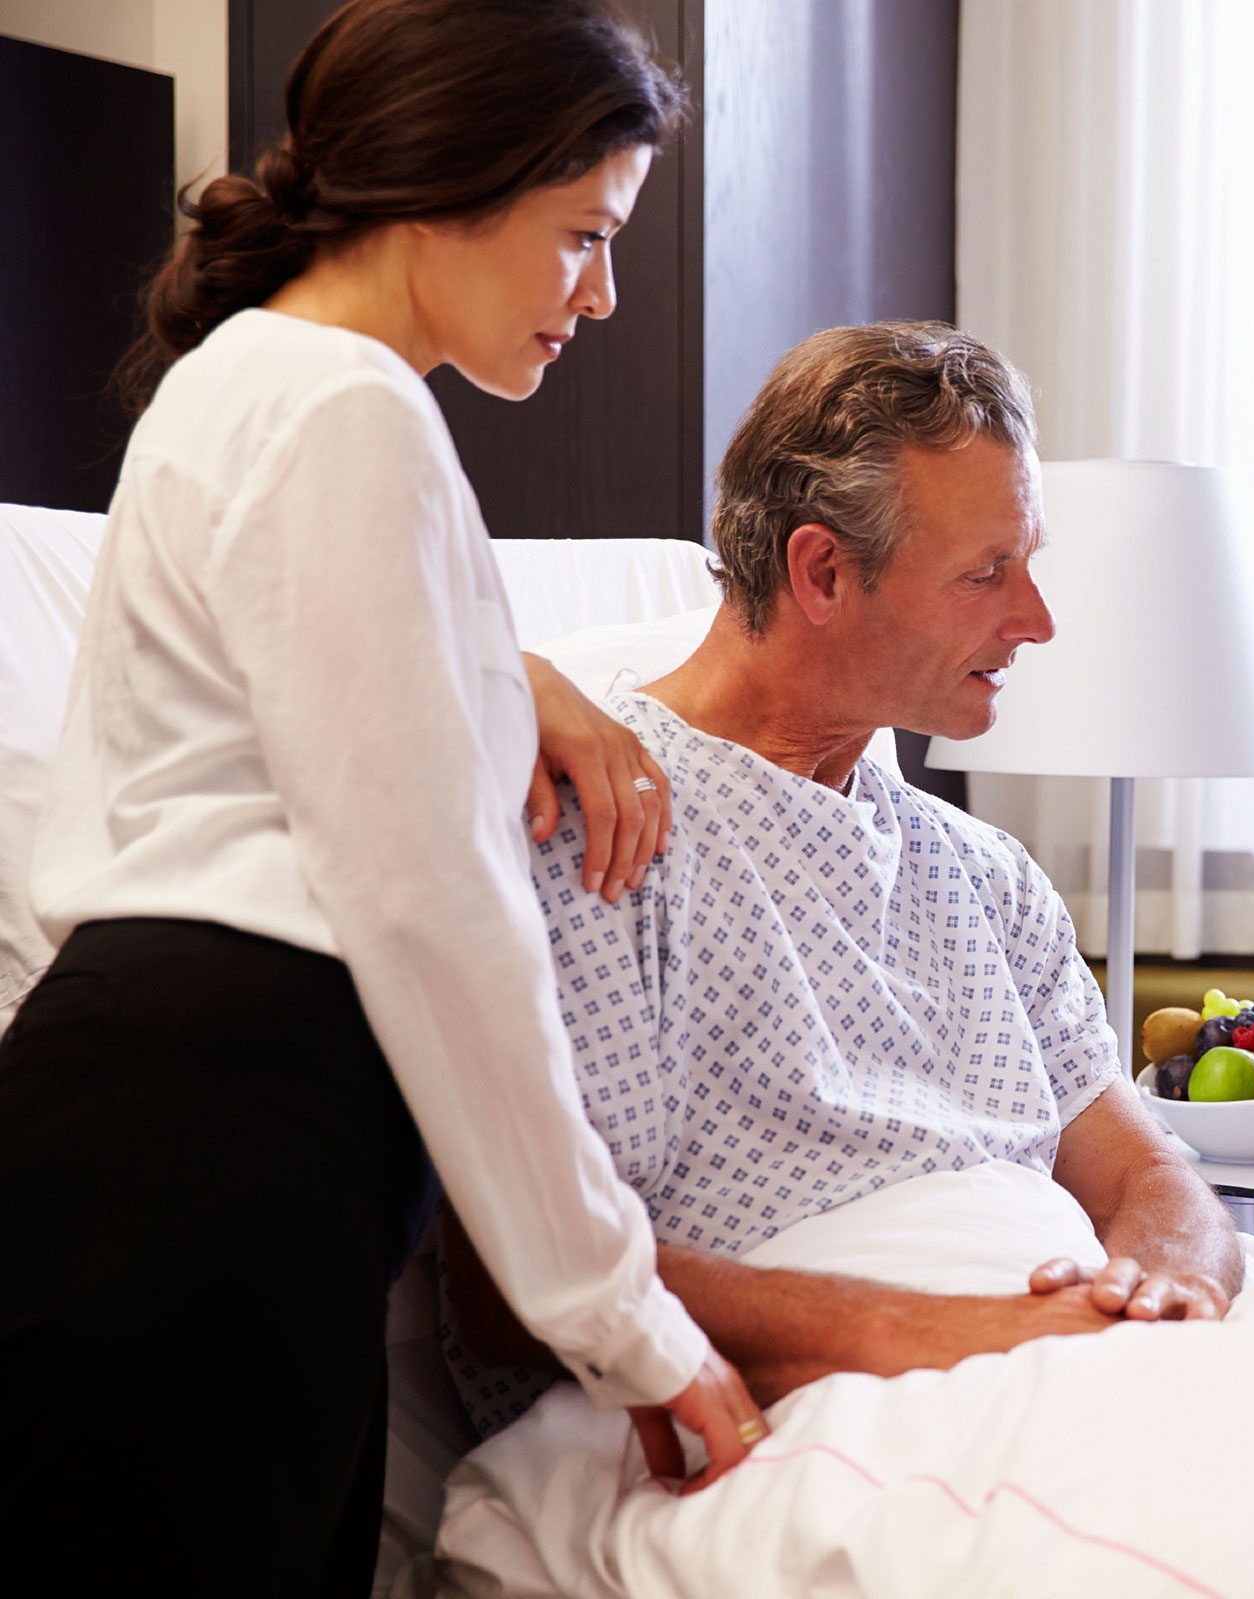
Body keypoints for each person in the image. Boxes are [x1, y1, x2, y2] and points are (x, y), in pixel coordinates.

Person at [0, 2, 763, 1589]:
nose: (603, 293)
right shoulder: (350, 410)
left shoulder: (241, 383)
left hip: (169, 1137)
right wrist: (629, 1321)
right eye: (580, 235)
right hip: (220, 1154)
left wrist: (512, 677)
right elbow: (434, 908)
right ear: (455, 182)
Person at [440, 322, 1244, 1432]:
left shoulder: (987, 877)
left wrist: (1170, 1284)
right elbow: (513, 1284)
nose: (1037, 623)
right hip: (829, 1408)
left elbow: (1145, 1173)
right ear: (823, 570)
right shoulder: (600, 837)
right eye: (986, 574)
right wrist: (948, 1335)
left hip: (1073, 1358)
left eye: (1030, 564)